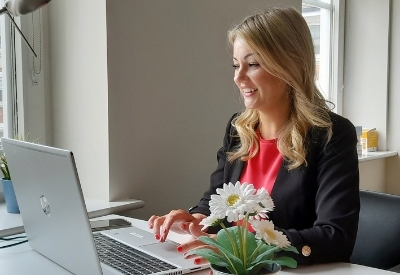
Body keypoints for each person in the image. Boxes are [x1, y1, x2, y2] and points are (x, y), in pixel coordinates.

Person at [148, 6, 359, 266]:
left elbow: (336, 238)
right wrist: (197, 218)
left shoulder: (331, 135)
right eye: (236, 65)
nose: (238, 77)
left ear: (289, 66)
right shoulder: (238, 128)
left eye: (253, 64)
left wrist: (240, 248)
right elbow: (216, 198)